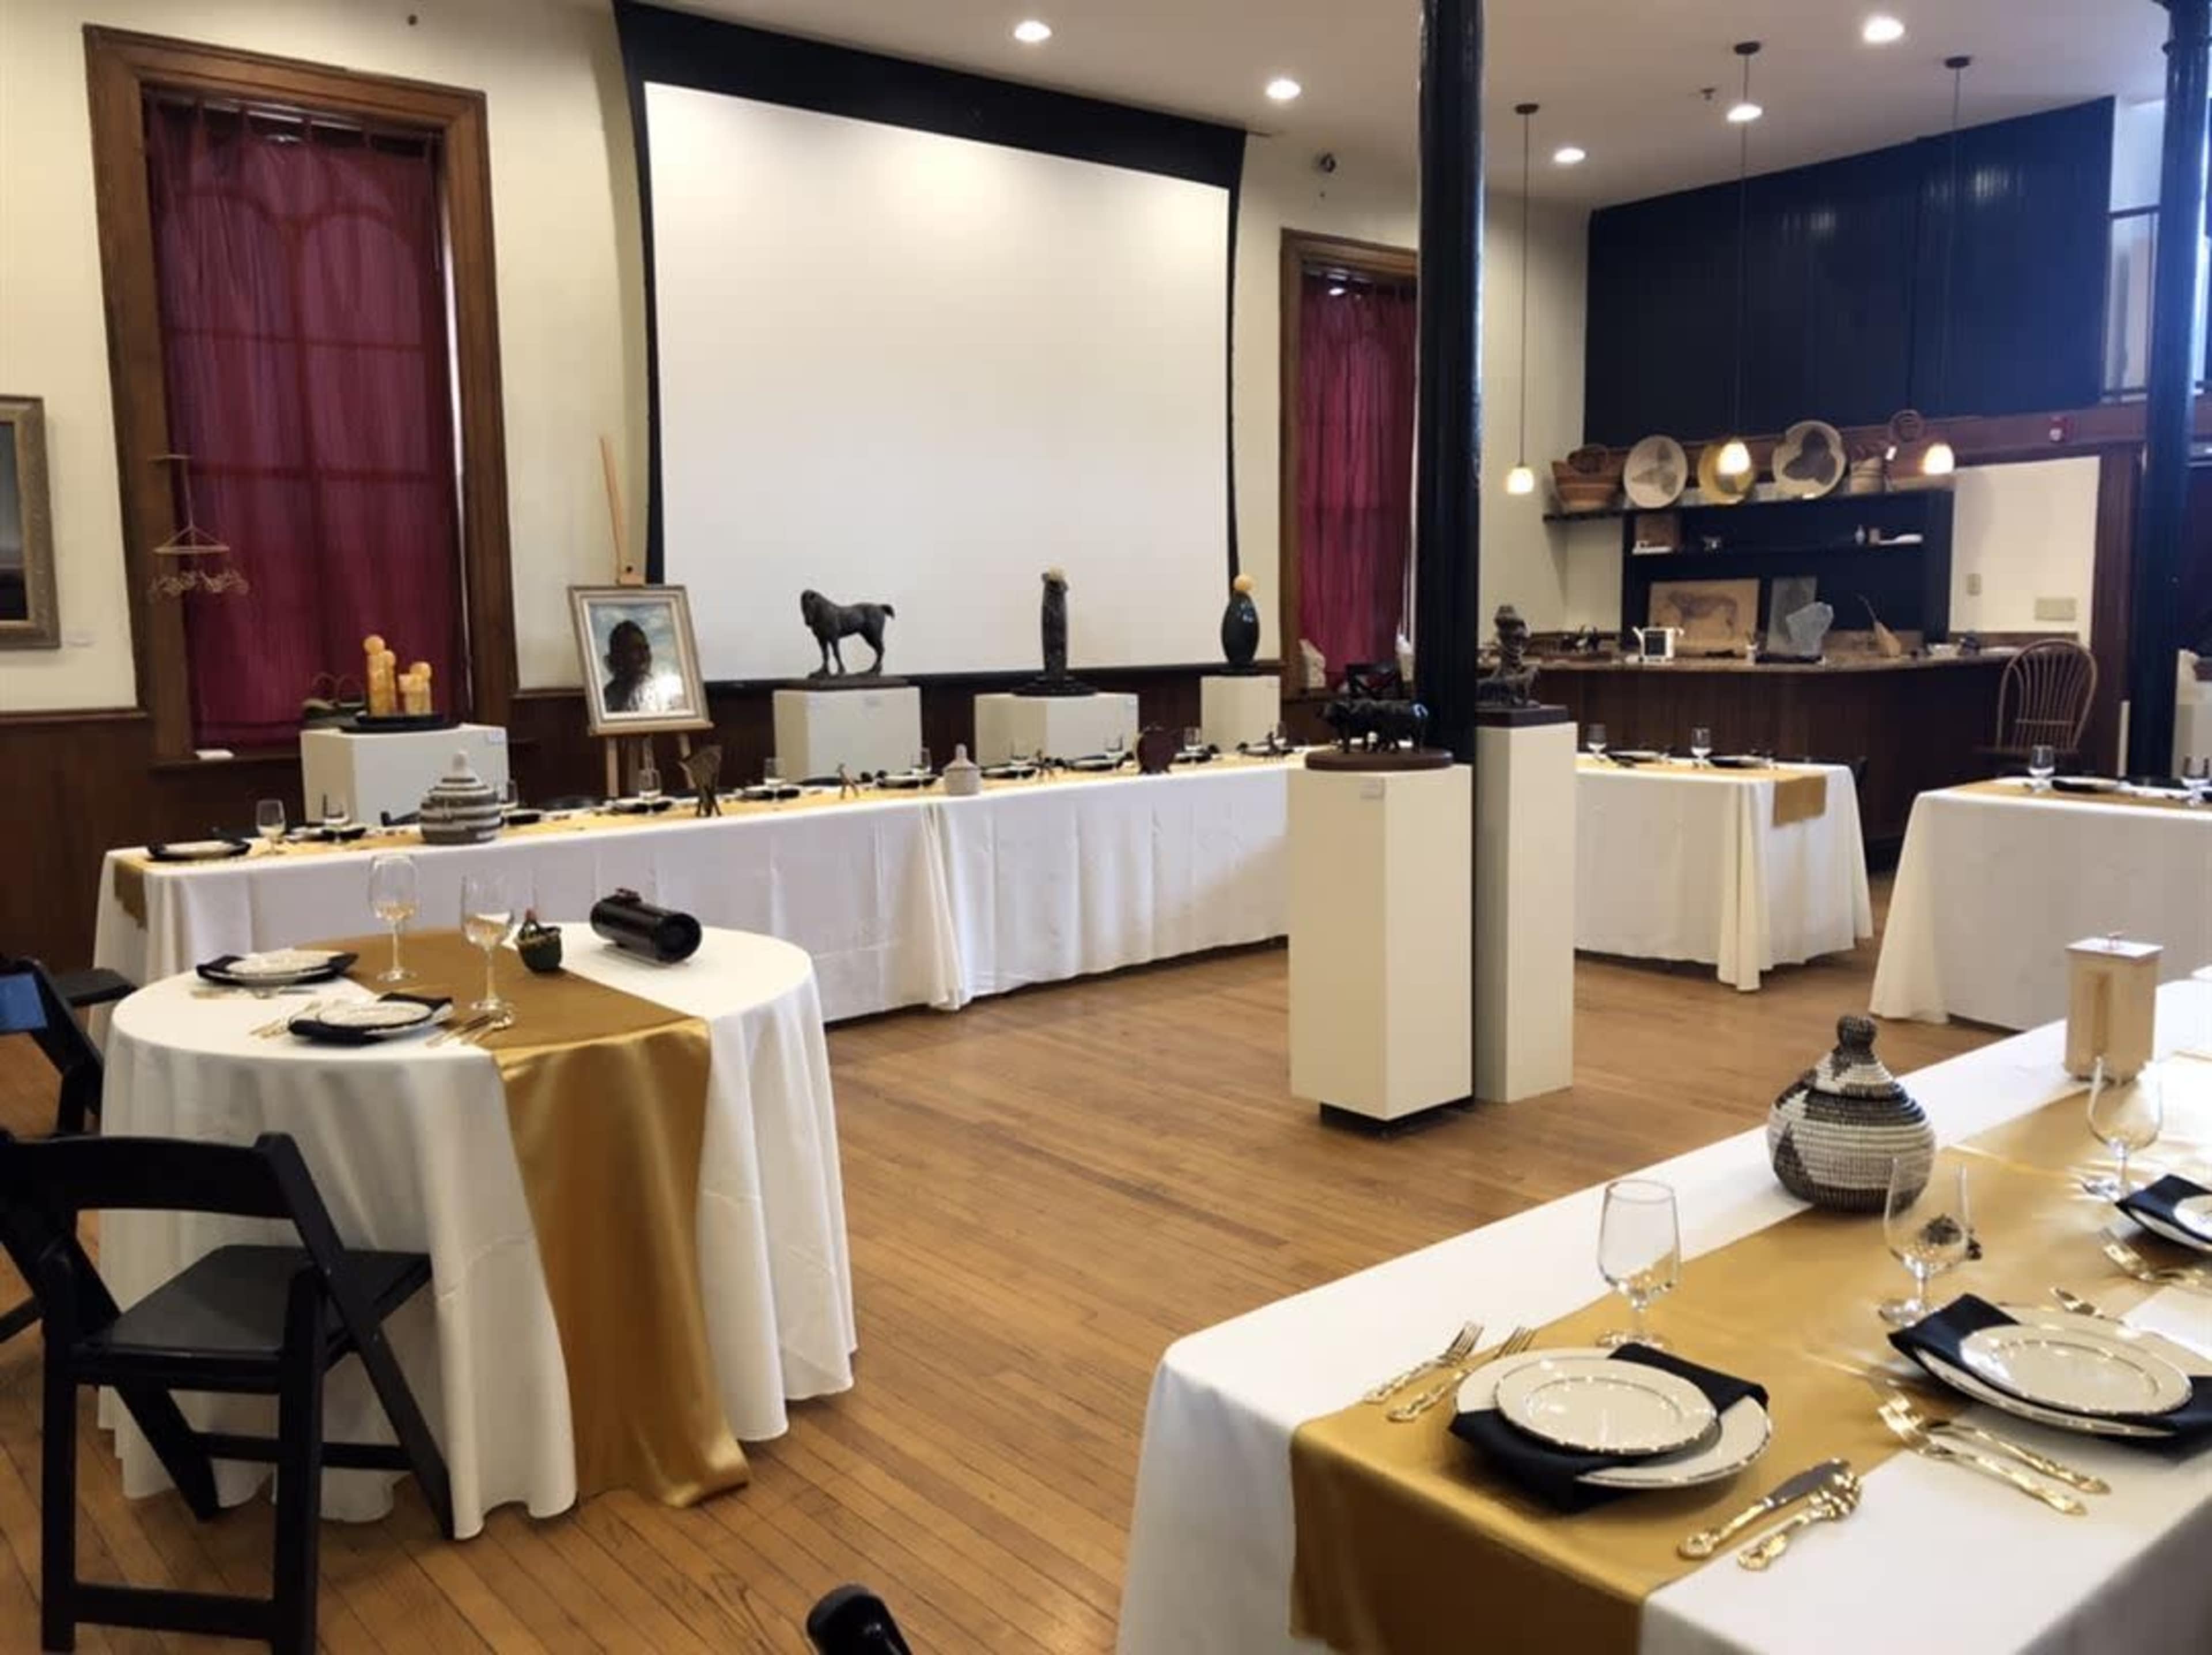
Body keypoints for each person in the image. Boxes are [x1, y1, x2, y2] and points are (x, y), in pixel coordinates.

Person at [601, 616, 681, 715]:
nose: (644, 657)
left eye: (646, 649)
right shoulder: (606, 700)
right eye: (635, 650)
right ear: (619, 656)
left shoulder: (660, 697)